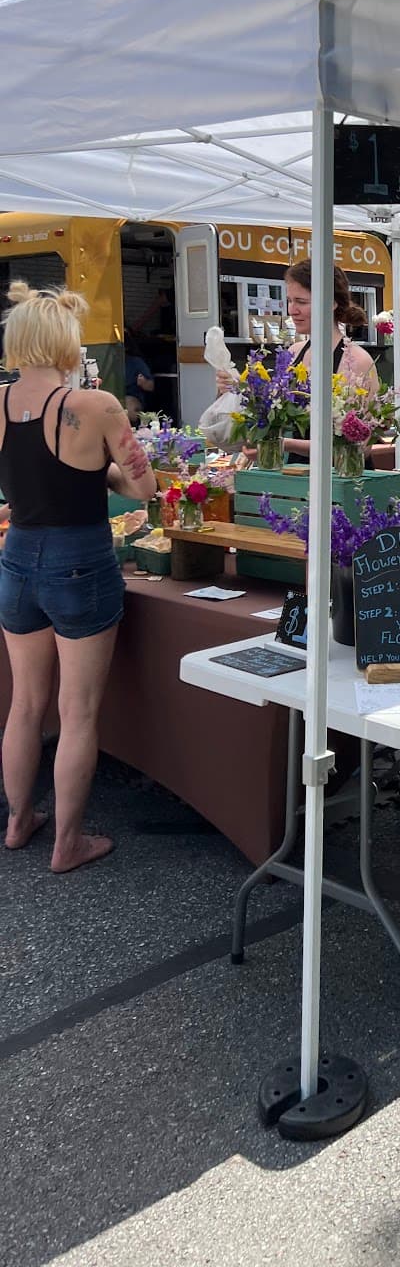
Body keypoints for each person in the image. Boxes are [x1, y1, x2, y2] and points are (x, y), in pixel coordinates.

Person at [0, 283, 157, 873]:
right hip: (80, 562)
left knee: (23, 705)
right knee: (78, 711)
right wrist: (108, 478)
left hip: (16, 559)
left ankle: (18, 821)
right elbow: (146, 487)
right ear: (65, 340)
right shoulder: (96, 407)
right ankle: (68, 842)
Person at [217, 259, 379, 402]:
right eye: (289, 301)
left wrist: (279, 439)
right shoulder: (294, 351)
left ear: (331, 303)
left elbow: (360, 434)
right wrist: (239, 387)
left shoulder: (358, 362)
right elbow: (276, 409)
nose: (292, 310)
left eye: (301, 302)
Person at [123, 330, 155, 422]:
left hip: (131, 396)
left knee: (128, 409)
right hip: (109, 396)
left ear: (127, 347)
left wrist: (144, 382)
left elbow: (151, 386)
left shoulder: (136, 362)